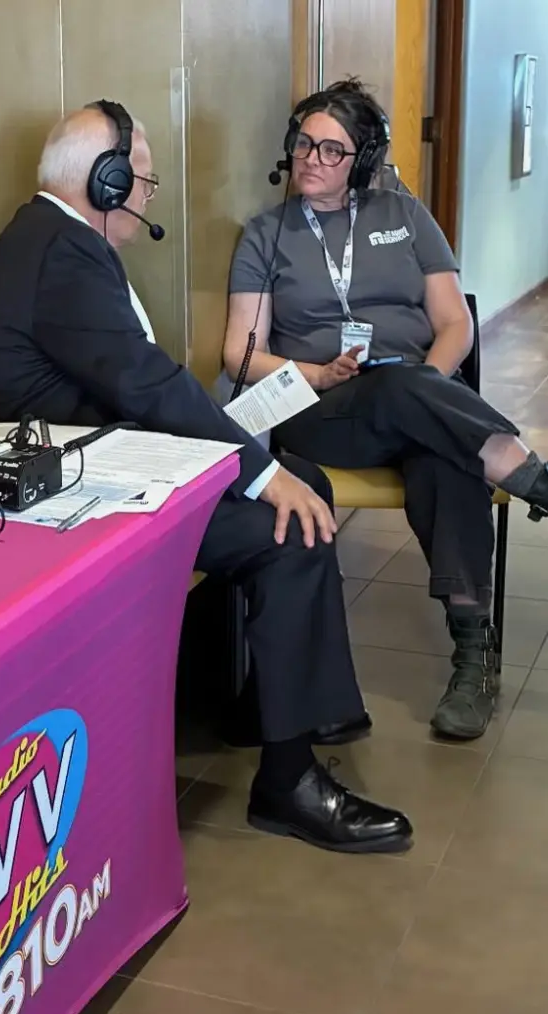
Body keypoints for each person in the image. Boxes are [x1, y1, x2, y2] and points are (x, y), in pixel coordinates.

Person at [0, 99, 413, 854]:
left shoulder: (50, 238)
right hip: (81, 486)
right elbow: (146, 383)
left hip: (101, 454)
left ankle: (274, 703)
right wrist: (255, 470)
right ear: (106, 182)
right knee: (290, 528)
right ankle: (289, 783)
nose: (144, 198)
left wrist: (262, 467)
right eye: (141, 181)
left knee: (304, 480)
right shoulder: (60, 253)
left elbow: (135, 383)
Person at [224, 79, 548, 742]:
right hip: (322, 410)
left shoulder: (406, 215)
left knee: (441, 449)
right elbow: (239, 354)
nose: (311, 158)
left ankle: (471, 658)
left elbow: (454, 324)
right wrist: (318, 372)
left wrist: (425, 389)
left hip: (411, 396)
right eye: (303, 143)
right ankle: (530, 476)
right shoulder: (266, 234)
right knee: (416, 404)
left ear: (363, 160)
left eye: (331, 149)